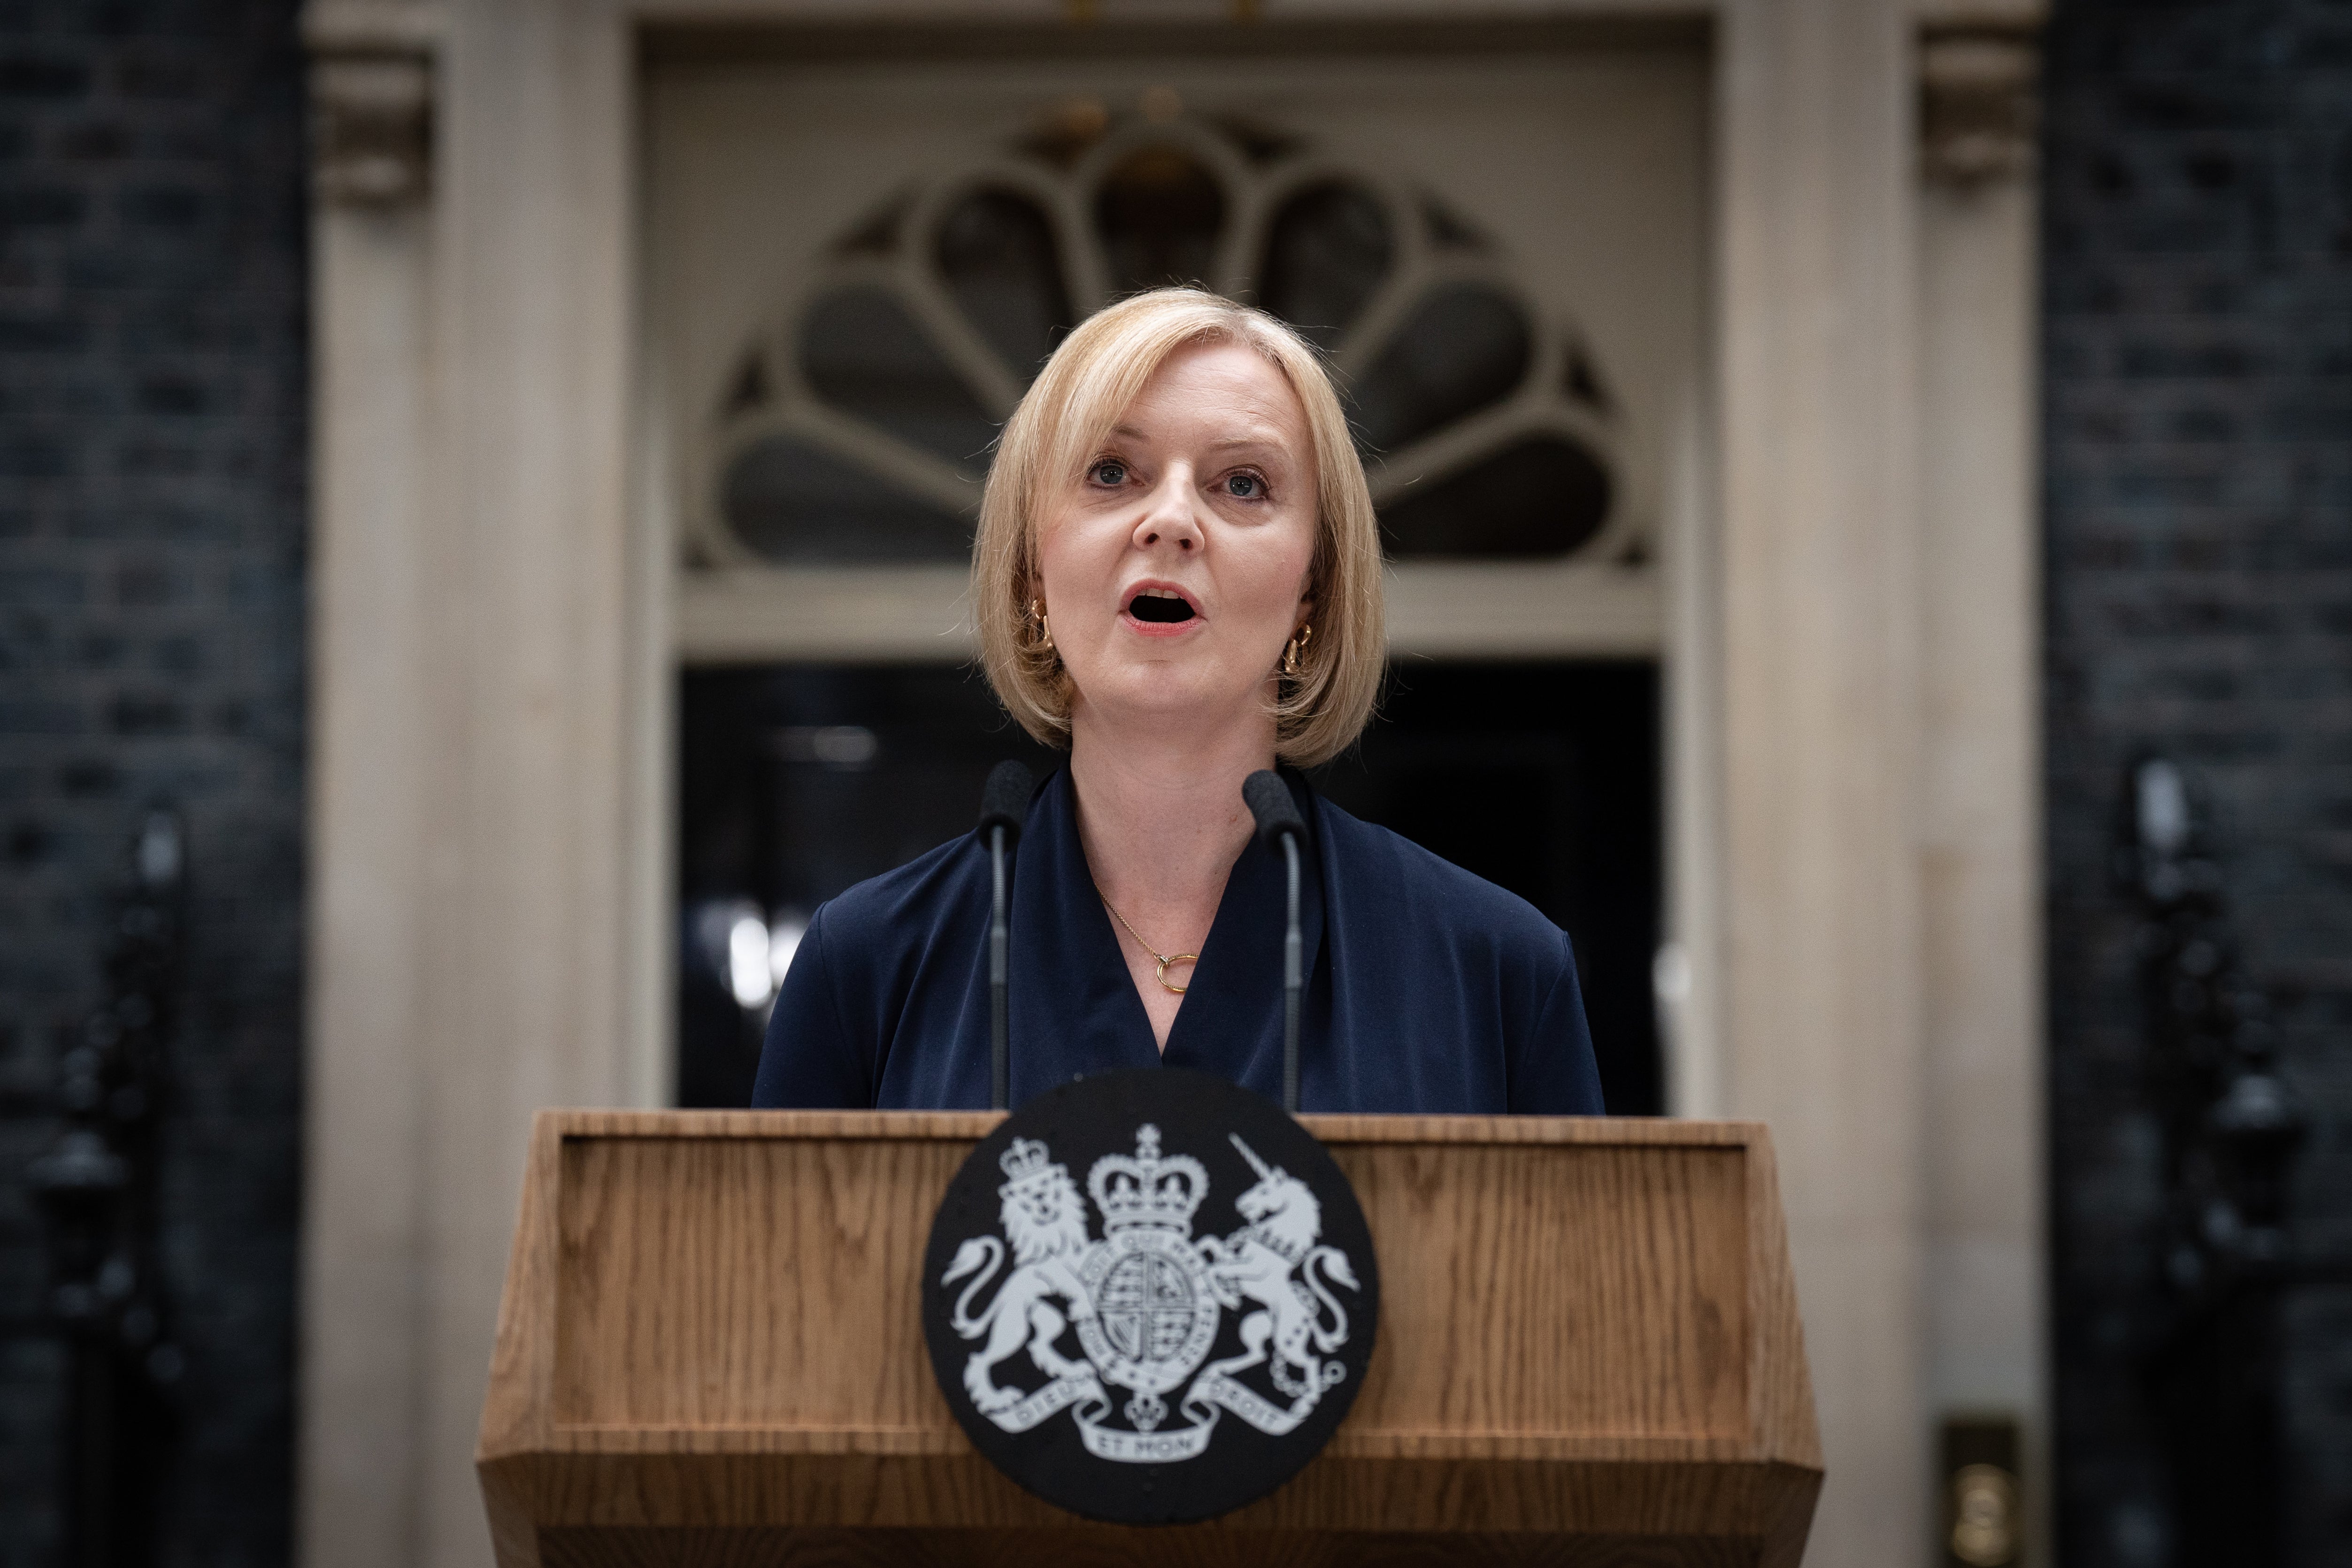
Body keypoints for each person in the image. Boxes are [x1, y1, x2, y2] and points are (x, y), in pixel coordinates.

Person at [751, 288, 1603, 1115]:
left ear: (1313, 588)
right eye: (1113, 471)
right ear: (1030, 570)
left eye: (1242, 484)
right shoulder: (865, 963)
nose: (1170, 521)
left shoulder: (1497, 968)